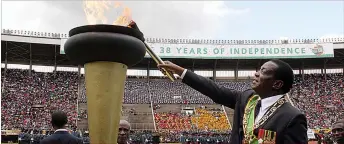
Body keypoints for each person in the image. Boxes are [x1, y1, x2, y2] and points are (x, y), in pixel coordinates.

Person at [158, 59, 308, 144]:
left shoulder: (292, 117)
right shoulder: (247, 98)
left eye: (263, 71)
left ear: (277, 84)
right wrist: (181, 71)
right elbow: (215, 90)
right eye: (258, 69)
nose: (256, 73)